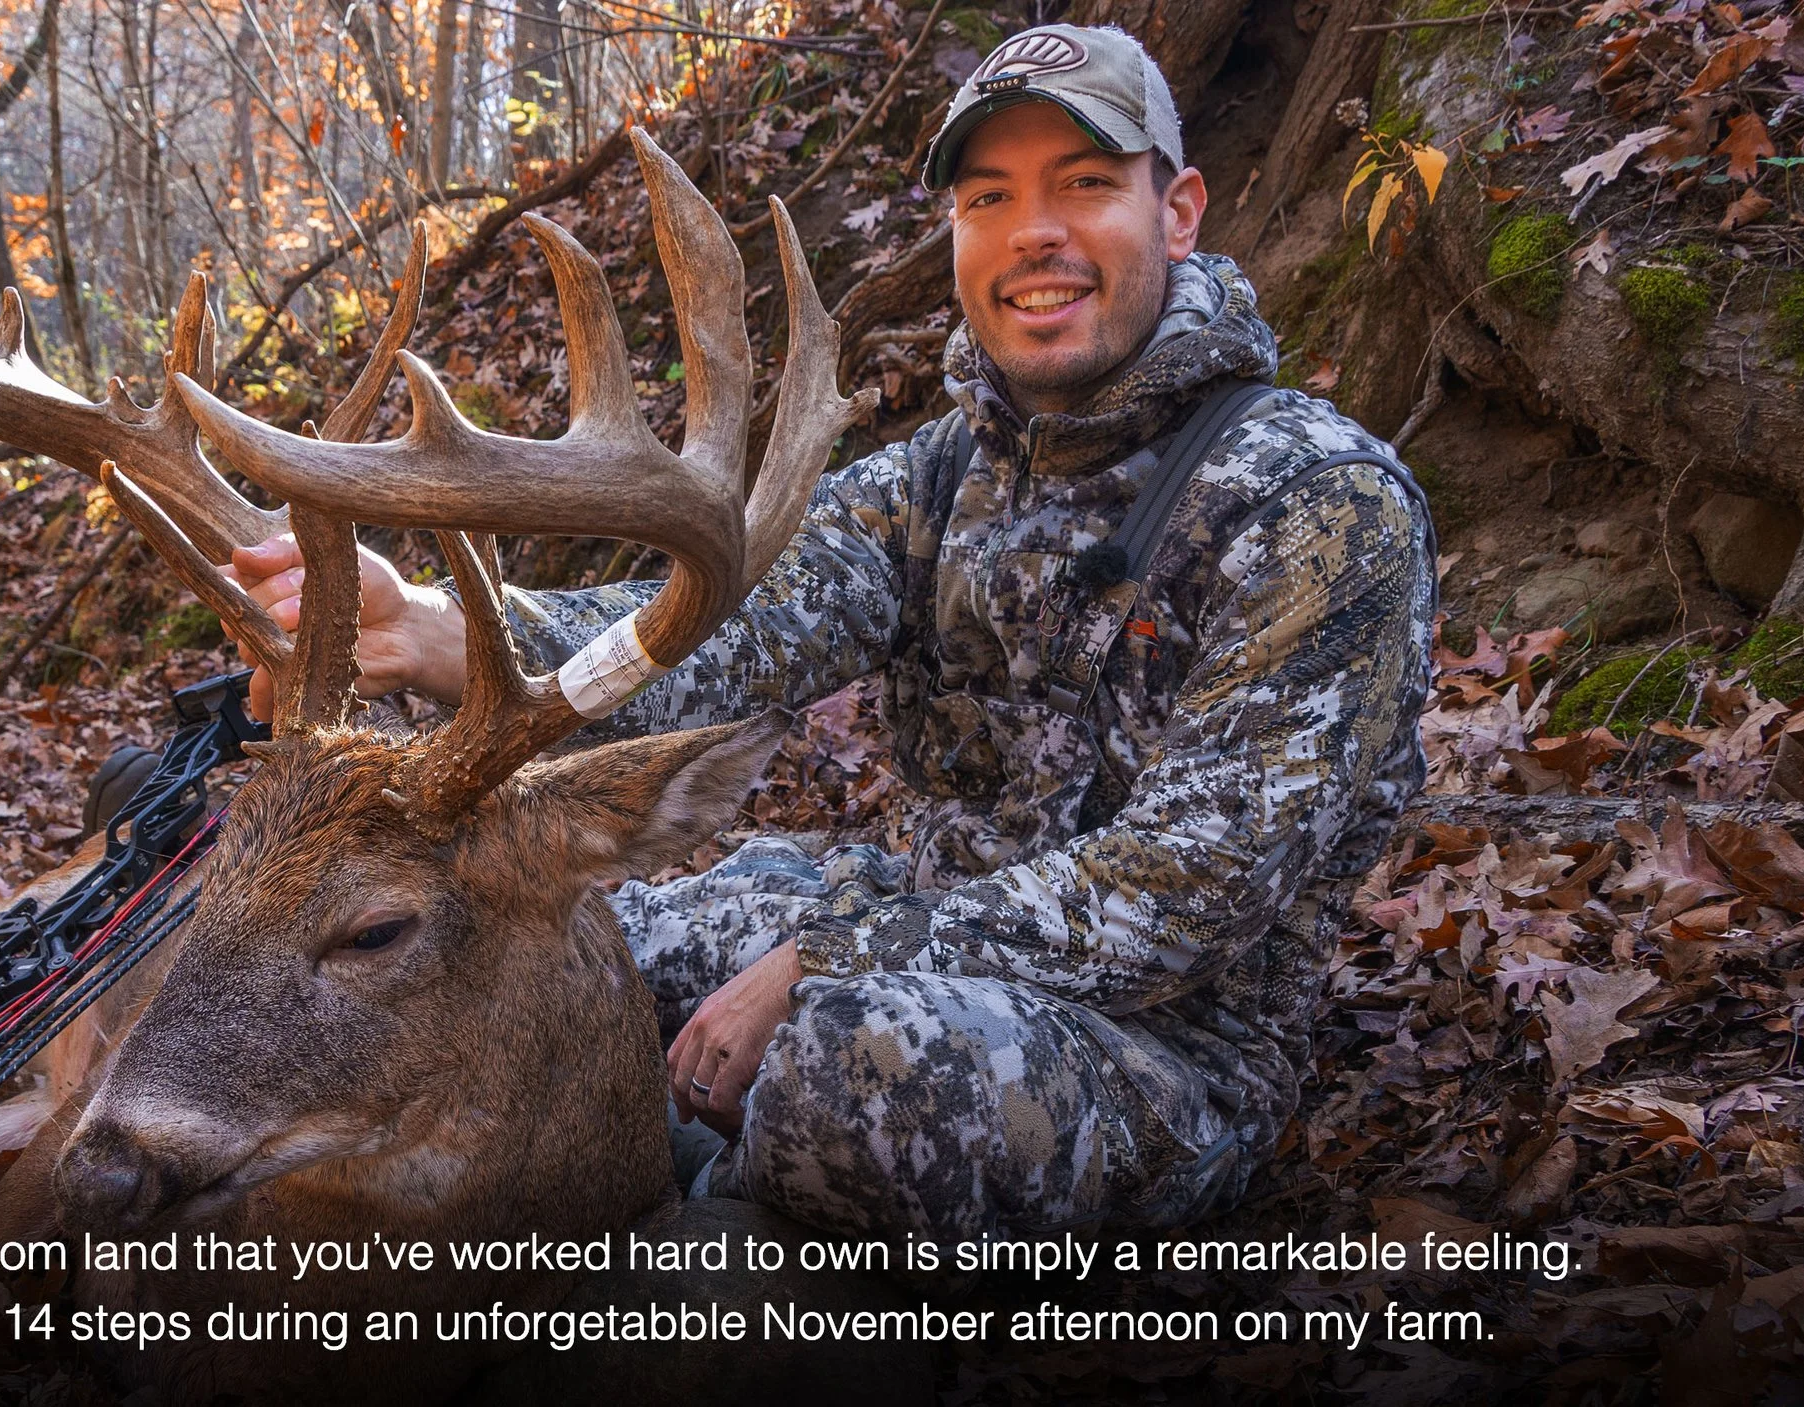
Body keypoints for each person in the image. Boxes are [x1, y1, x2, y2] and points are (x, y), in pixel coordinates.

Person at [228, 24, 1435, 1248]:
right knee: (532, 951)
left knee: (857, 1066)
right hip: (908, 921)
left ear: (1176, 215)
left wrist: (827, 958)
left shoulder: (1317, 504)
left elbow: (1186, 890)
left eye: (1082, 183)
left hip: (1164, 1051)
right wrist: (436, 632)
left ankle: (696, 1240)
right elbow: (728, 633)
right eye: (989, 196)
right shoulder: (944, 473)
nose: (1034, 233)